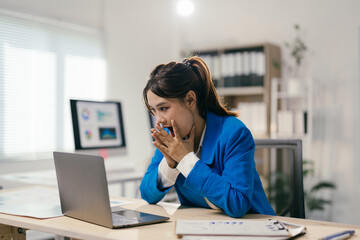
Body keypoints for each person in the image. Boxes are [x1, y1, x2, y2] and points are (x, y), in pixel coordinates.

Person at [140, 56, 275, 218]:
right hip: (204, 227)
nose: (159, 120)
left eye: (164, 108)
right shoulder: (171, 136)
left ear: (190, 99)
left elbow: (237, 203)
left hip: (255, 227)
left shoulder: (234, 133)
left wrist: (186, 160)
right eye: (154, 111)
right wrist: (169, 165)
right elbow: (147, 194)